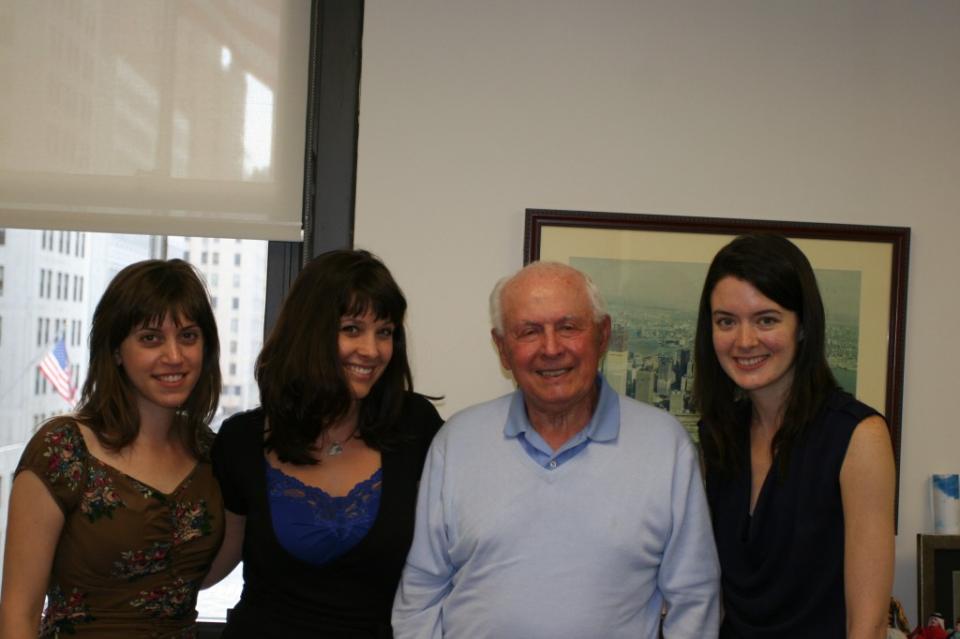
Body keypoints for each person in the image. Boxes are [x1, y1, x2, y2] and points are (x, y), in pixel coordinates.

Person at [393, 261, 720, 638]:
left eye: (568, 327)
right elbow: (421, 590)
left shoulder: (666, 446)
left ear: (603, 335)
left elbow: (694, 596)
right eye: (529, 331)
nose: (551, 348)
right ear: (502, 349)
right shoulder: (456, 443)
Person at [204, 249, 442, 638]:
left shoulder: (416, 427)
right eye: (352, 329)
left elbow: (454, 555)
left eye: (384, 332)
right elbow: (213, 563)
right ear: (309, 333)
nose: (372, 350)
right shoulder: (241, 440)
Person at [0, 259, 224, 638]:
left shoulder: (210, 453)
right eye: (151, 338)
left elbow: (198, 573)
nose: (174, 356)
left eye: (188, 336)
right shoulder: (62, 449)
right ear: (117, 351)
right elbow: (18, 615)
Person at [693, 233, 896, 638]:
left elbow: (869, 625)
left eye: (766, 320)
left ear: (803, 326)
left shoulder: (859, 437)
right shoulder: (718, 435)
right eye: (726, 321)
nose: (744, 341)